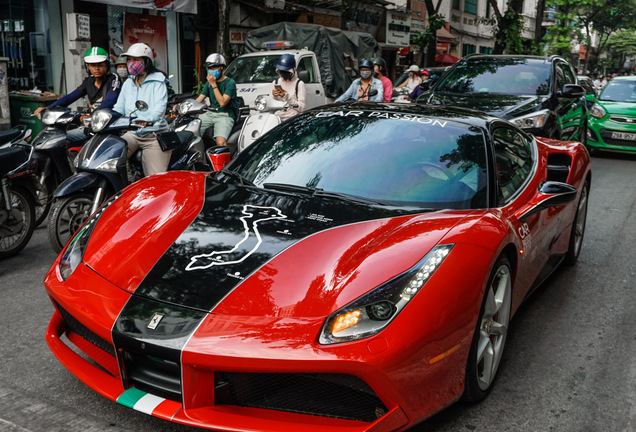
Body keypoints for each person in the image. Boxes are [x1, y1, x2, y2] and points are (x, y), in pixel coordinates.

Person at [33, 46, 121, 145]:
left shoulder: (113, 78)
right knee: (58, 139)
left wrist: (92, 116)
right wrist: (47, 109)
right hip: (91, 125)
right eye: (92, 65)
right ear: (88, 66)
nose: (96, 68)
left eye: (100, 65)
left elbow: (110, 100)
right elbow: (69, 97)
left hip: (107, 126)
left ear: (107, 65)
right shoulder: (88, 81)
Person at [113, 42, 170, 177]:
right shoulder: (128, 82)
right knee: (110, 159)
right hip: (133, 133)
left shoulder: (158, 82)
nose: (131, 63)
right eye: (130, 60)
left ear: (147, 62)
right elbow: (119, 107)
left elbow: (159, 109)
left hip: (153, 136)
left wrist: (146, 119)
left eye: (136, 60)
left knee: (154, 180)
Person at [195, 53, 237, 147]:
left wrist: (214, 84)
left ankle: (225, 161)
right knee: (192, 135)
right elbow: (199, 99)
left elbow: (222, 103)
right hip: (210, 114)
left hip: (225, 115)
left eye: (213, 68)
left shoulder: (230, 83)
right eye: (209, 68)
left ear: (221, 68)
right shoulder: (208, 83)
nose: (211, 71)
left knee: (220, 142)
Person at [271, 54, 306, 121]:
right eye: (282, 71)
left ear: (292, 71)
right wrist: (274, 96)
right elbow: (271, 105)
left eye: (286, 71)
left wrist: (288, 98)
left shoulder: (299, 84)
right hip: (278, 118)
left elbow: (302, 108)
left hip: (293, 118)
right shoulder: (275, 83)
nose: (284, 74)